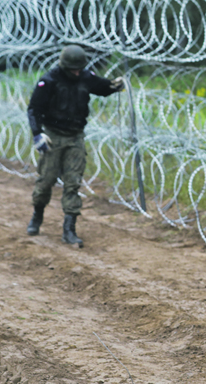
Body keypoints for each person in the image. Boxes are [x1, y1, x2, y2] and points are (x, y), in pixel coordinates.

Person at [25, 45, 124, 246]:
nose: (77, 73)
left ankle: (69, 229)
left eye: (79, 69)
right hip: (53, 136)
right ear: (64, 66)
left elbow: (102, 88)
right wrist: (38, 135)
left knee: (73, 181)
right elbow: (34, 109)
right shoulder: (50, 80)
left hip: (75, 137)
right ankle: (37, 214)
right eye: (73, 70)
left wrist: (115, 85)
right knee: (46, 181)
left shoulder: (85, 77)